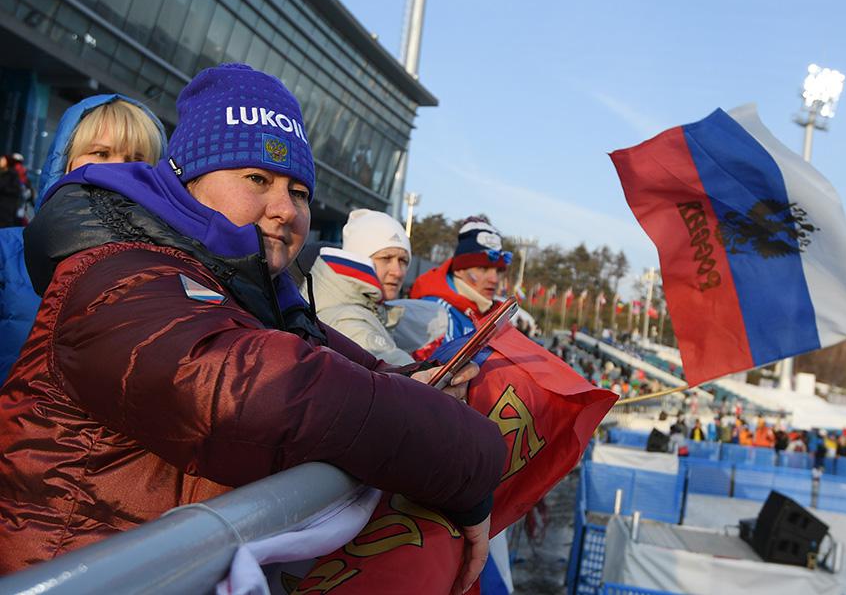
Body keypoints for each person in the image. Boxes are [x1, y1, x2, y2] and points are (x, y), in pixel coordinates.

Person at [0, 64, 506, 593]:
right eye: (257, 179)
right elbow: (250, 388)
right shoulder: (117, 271)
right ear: (187, 183)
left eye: (301, 191)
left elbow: (352, 367)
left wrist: (420, 385)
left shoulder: (253, 293)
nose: (285, 209)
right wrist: (465, 456)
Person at [0, 95, 166, 385]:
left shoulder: (172, 272)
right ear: (66, 162)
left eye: (136, 159)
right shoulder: (6, 253)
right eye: (101, 153)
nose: (118, 170)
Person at [306, 209, 418, 365]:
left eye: (403, 261)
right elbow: (409, 379)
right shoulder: (346, 320)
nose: (398, 272)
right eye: (386, 258)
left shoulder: (366, 308)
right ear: (358, 259)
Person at [410, 217, 511, 340]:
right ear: (459, 270)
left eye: (499, 271)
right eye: (483, 268)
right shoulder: (436, 313)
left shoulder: (496, 316)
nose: (494, 279)